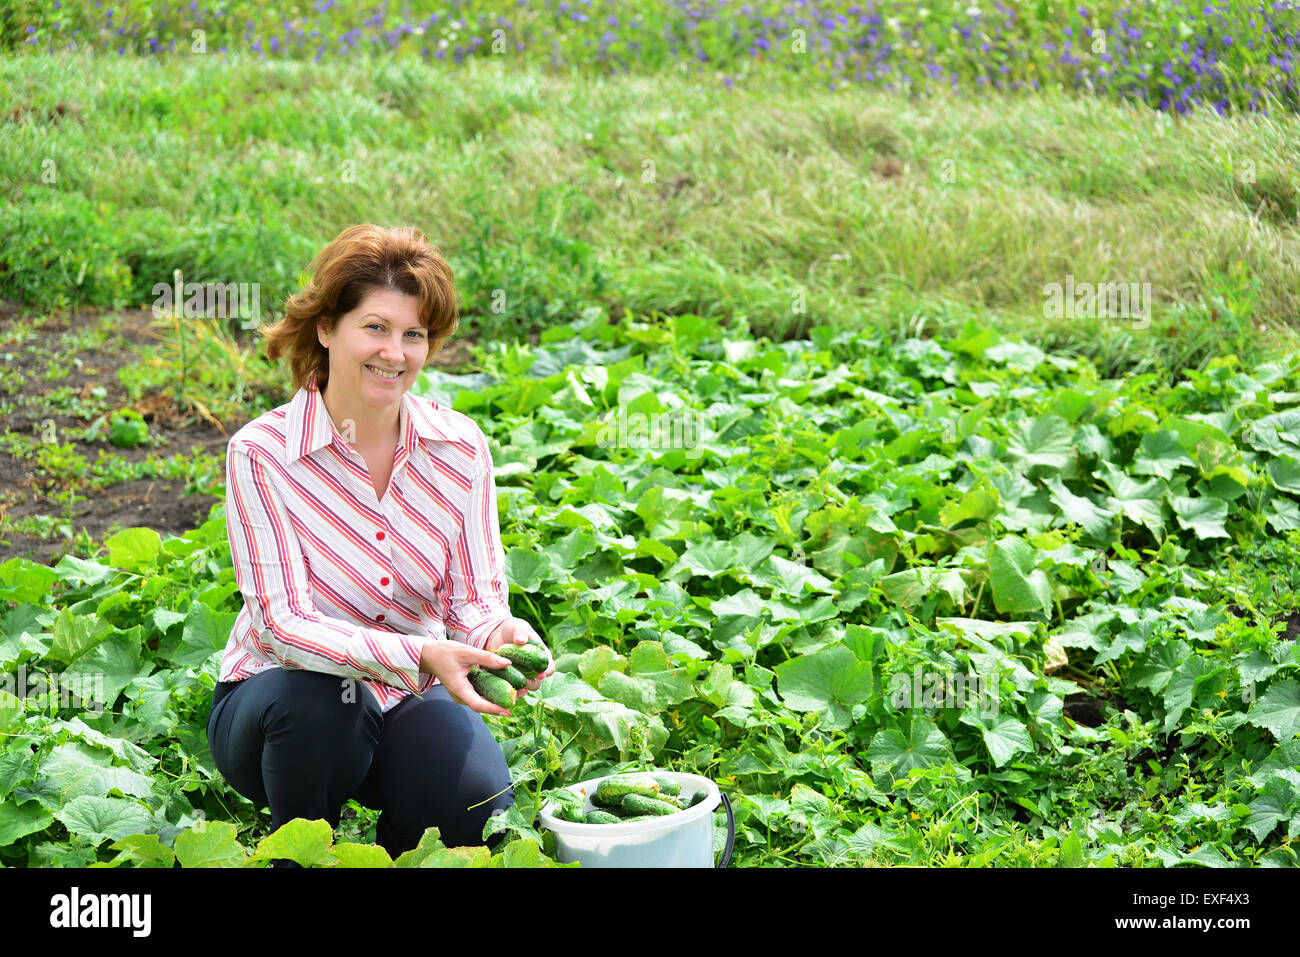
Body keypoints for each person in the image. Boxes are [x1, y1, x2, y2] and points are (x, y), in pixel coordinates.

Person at [204, 223, 553, 866]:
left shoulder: (459, 448)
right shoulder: (263, 453)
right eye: (375, 327)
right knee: (316, 698)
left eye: (413, 334)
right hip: (279, 711)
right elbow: (282, 626)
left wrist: (498, 634)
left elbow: (476, 598)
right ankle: (303, 850)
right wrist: (421, 651)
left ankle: (396, 849)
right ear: (326, 328)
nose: (395, 353)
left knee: (475, 803)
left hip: (406, 699)